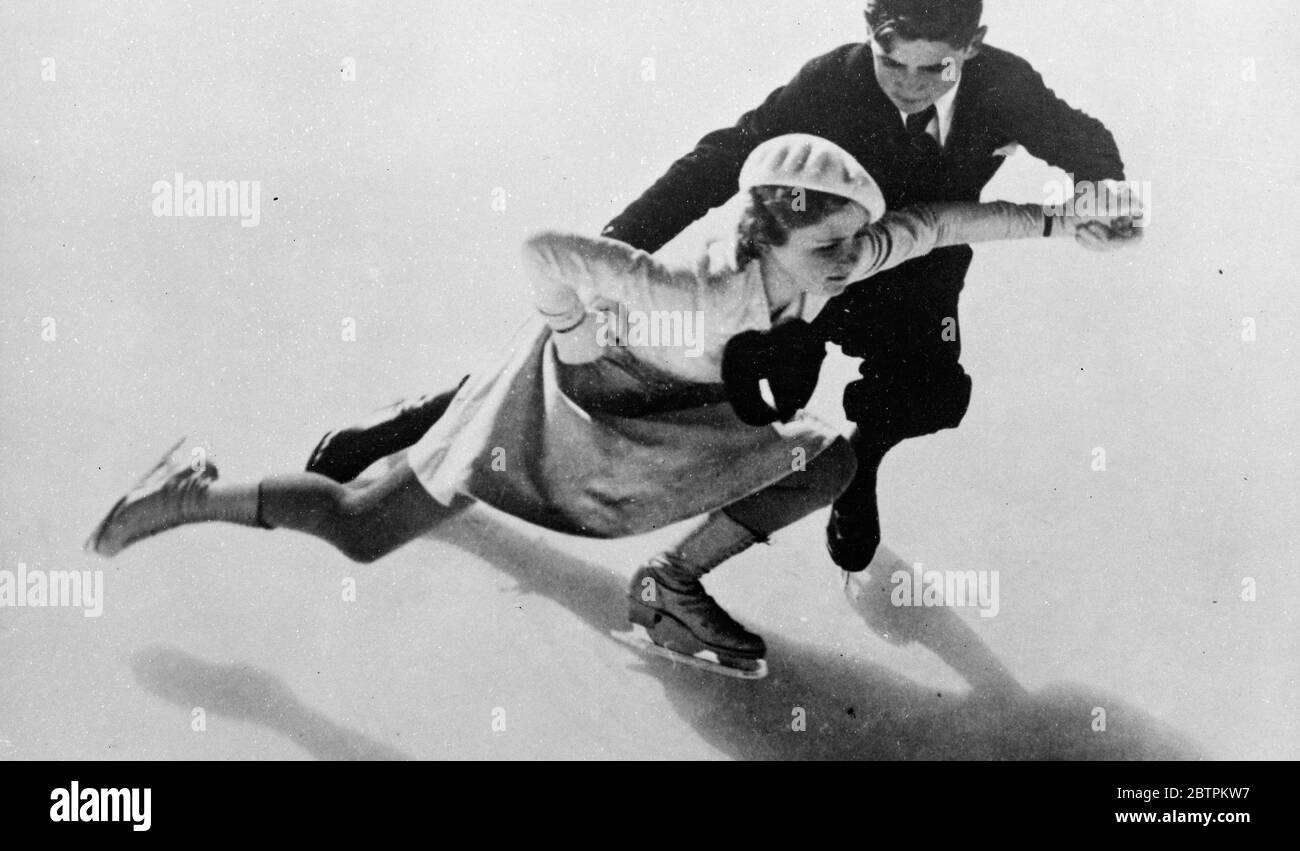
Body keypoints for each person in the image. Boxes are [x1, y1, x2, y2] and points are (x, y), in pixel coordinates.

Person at [87, 135, 1139, 677]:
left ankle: (671, 584)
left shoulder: (838, 246)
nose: (848, 265)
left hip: (668, 421)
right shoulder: (693, 287)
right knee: (363, 530)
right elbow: (545, 252)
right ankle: (190, 490)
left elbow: (944, 219)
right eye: (829, 249)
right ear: (767, 234)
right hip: (560, 407)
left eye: (853, 242)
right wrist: (576, 335)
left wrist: (1060, 222)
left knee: (826, 456)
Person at [304, 0, 1129, 577]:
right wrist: (621, 245)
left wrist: (1106, 196)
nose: (910, 82)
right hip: (797, 276)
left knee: (928, 391)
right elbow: (721, 156)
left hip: (915, 273)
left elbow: (1086, 143)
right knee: (657, 378)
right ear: (867, 34)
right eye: (891, 57)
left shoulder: (1006, 87)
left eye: (935, 66)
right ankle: (428, 420)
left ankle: (860, 468)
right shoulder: (831, 84)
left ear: (973, 46)